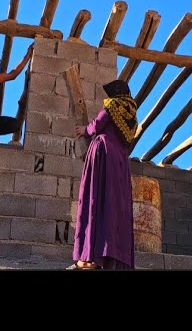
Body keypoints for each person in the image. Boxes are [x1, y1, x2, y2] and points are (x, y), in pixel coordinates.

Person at [68, 79, 138, 270]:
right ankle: (112, 259)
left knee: (96, 200)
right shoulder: (132, 117)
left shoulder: (112, 105)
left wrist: (84, 130)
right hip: (120, 162)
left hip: (104, 154)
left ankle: (91, 256)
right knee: (114, 207)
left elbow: (97, 125)